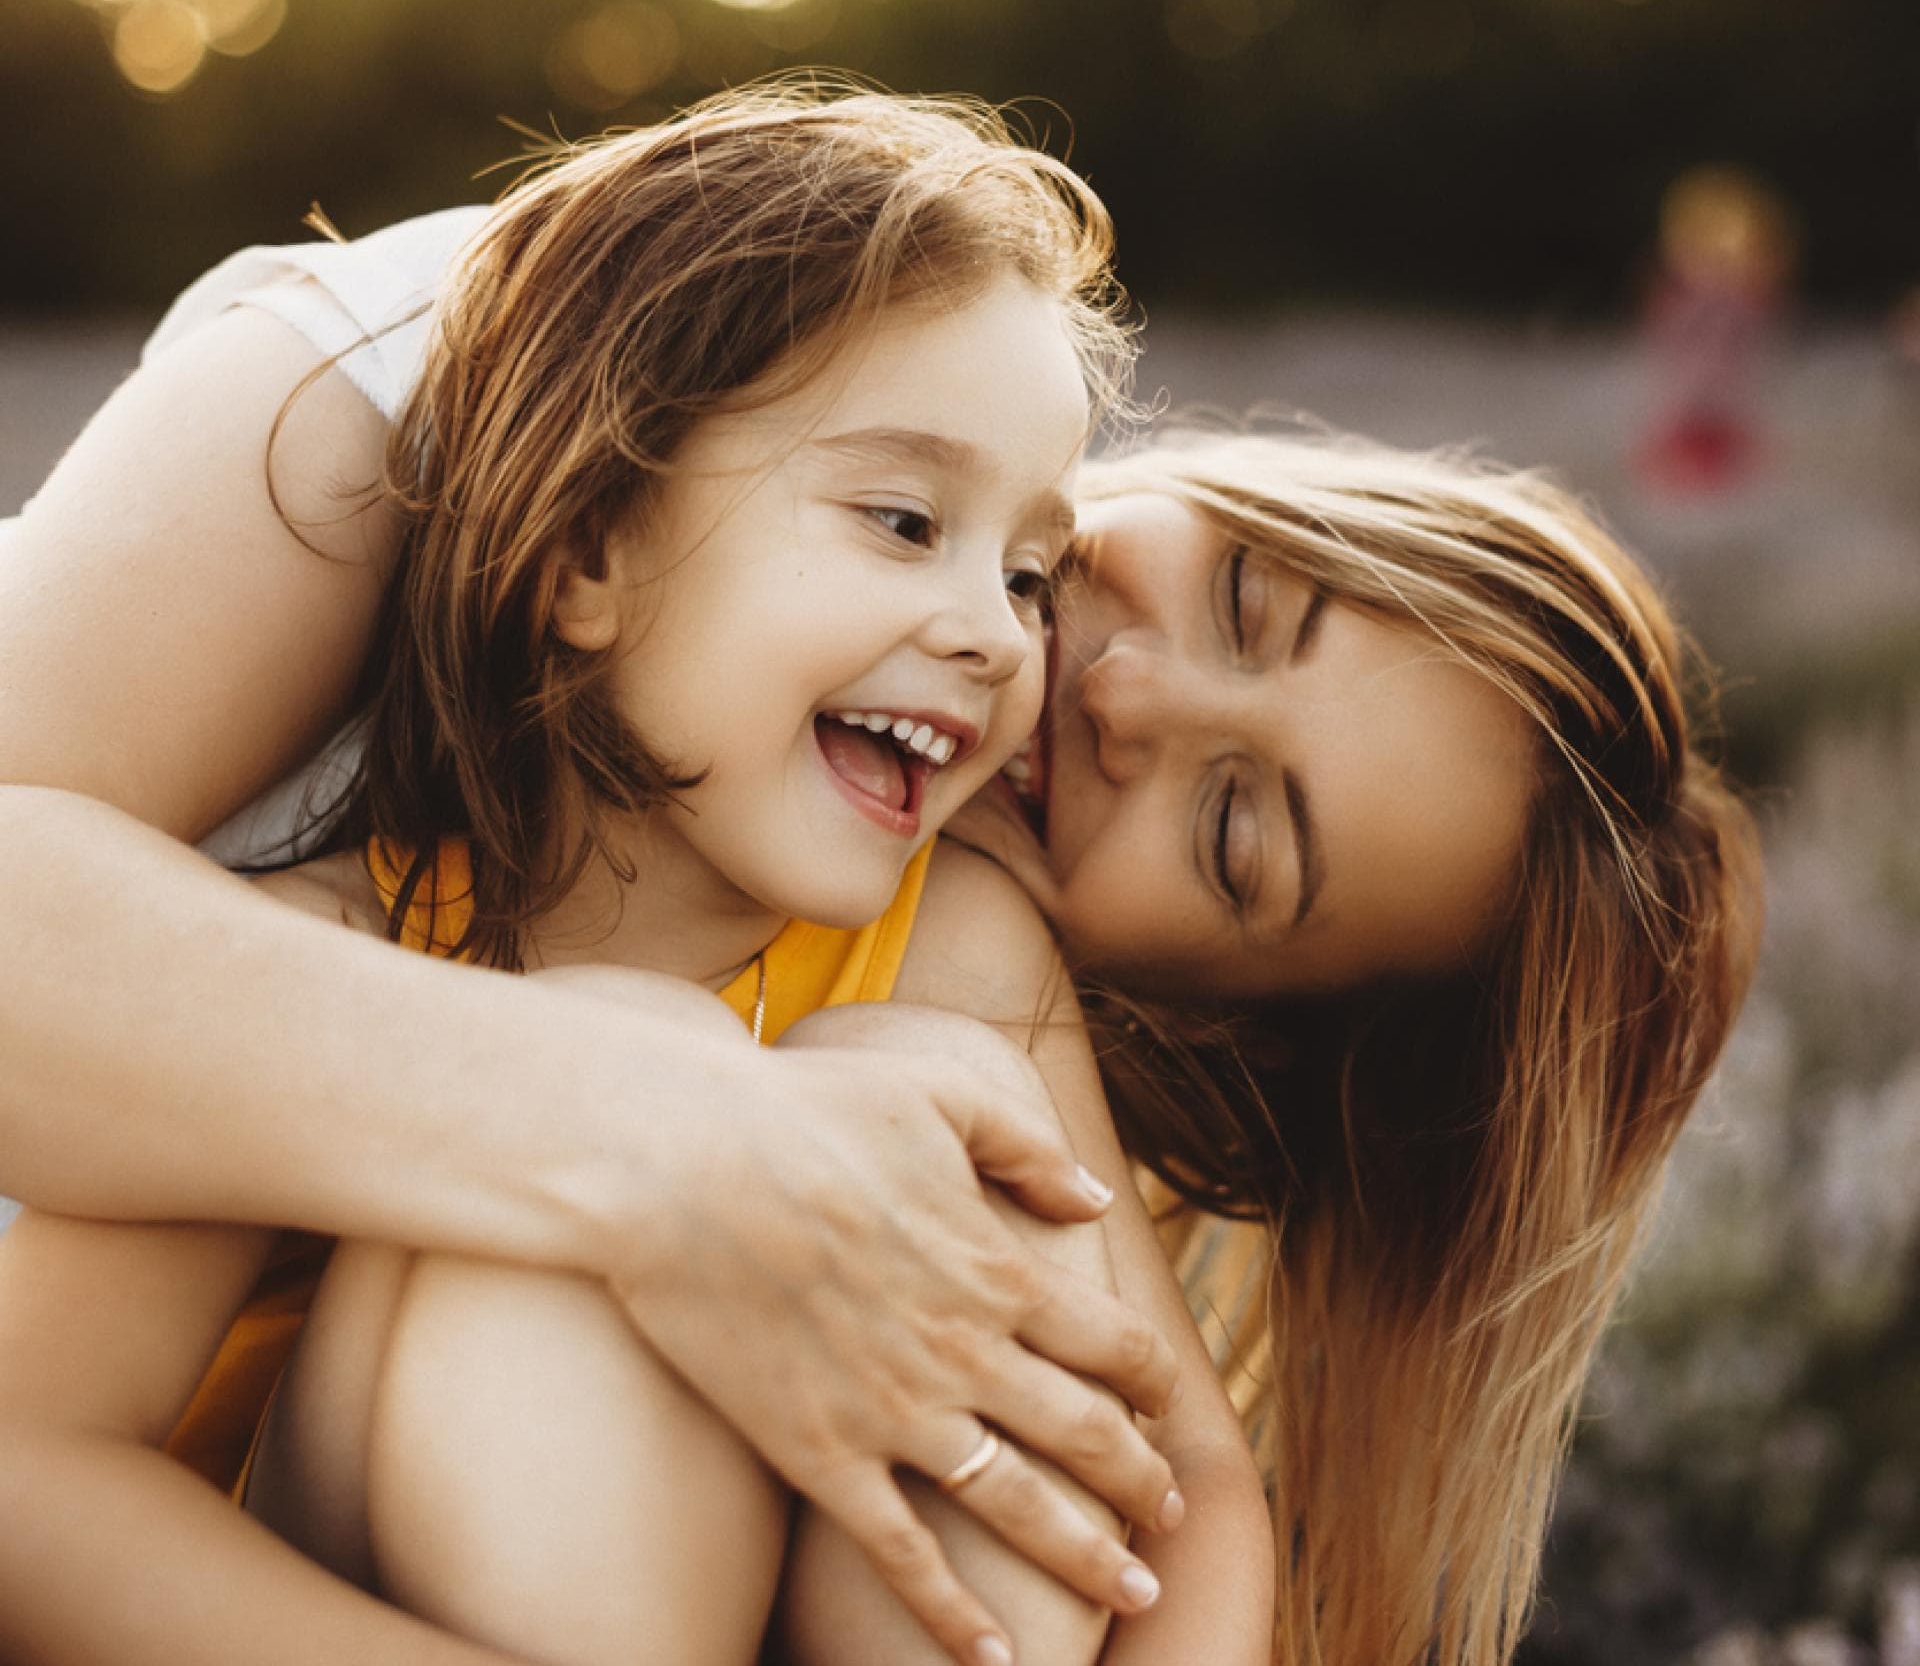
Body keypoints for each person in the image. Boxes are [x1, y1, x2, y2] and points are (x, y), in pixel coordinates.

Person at [0, 87, 1764, 1666]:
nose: (1097, 684)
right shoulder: (534, 395)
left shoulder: (962, 953)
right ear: (588, 540)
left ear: (1215, 1024)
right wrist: (667, 1124)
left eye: (1235, 837)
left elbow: (1183, 1500)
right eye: (1238, 596)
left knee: (938, 1099)